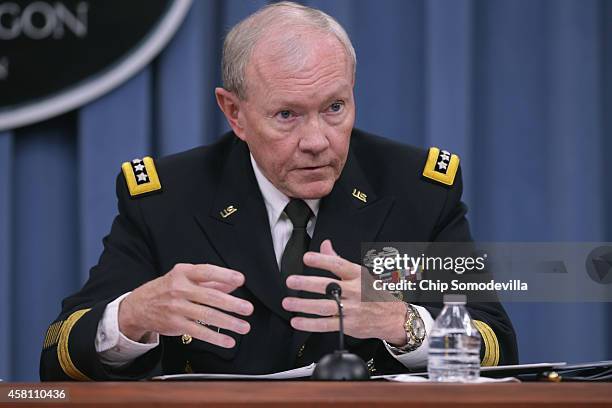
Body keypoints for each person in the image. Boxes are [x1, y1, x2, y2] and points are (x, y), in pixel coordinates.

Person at [40, 1, 517, 381]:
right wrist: (133, 317)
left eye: (334, 107)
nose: (316, 141)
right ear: (234, 113)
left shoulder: (416, 189)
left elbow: (495, 344)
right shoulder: (168, 200)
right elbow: (59, 355)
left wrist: (402, 325)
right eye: (286, 115)